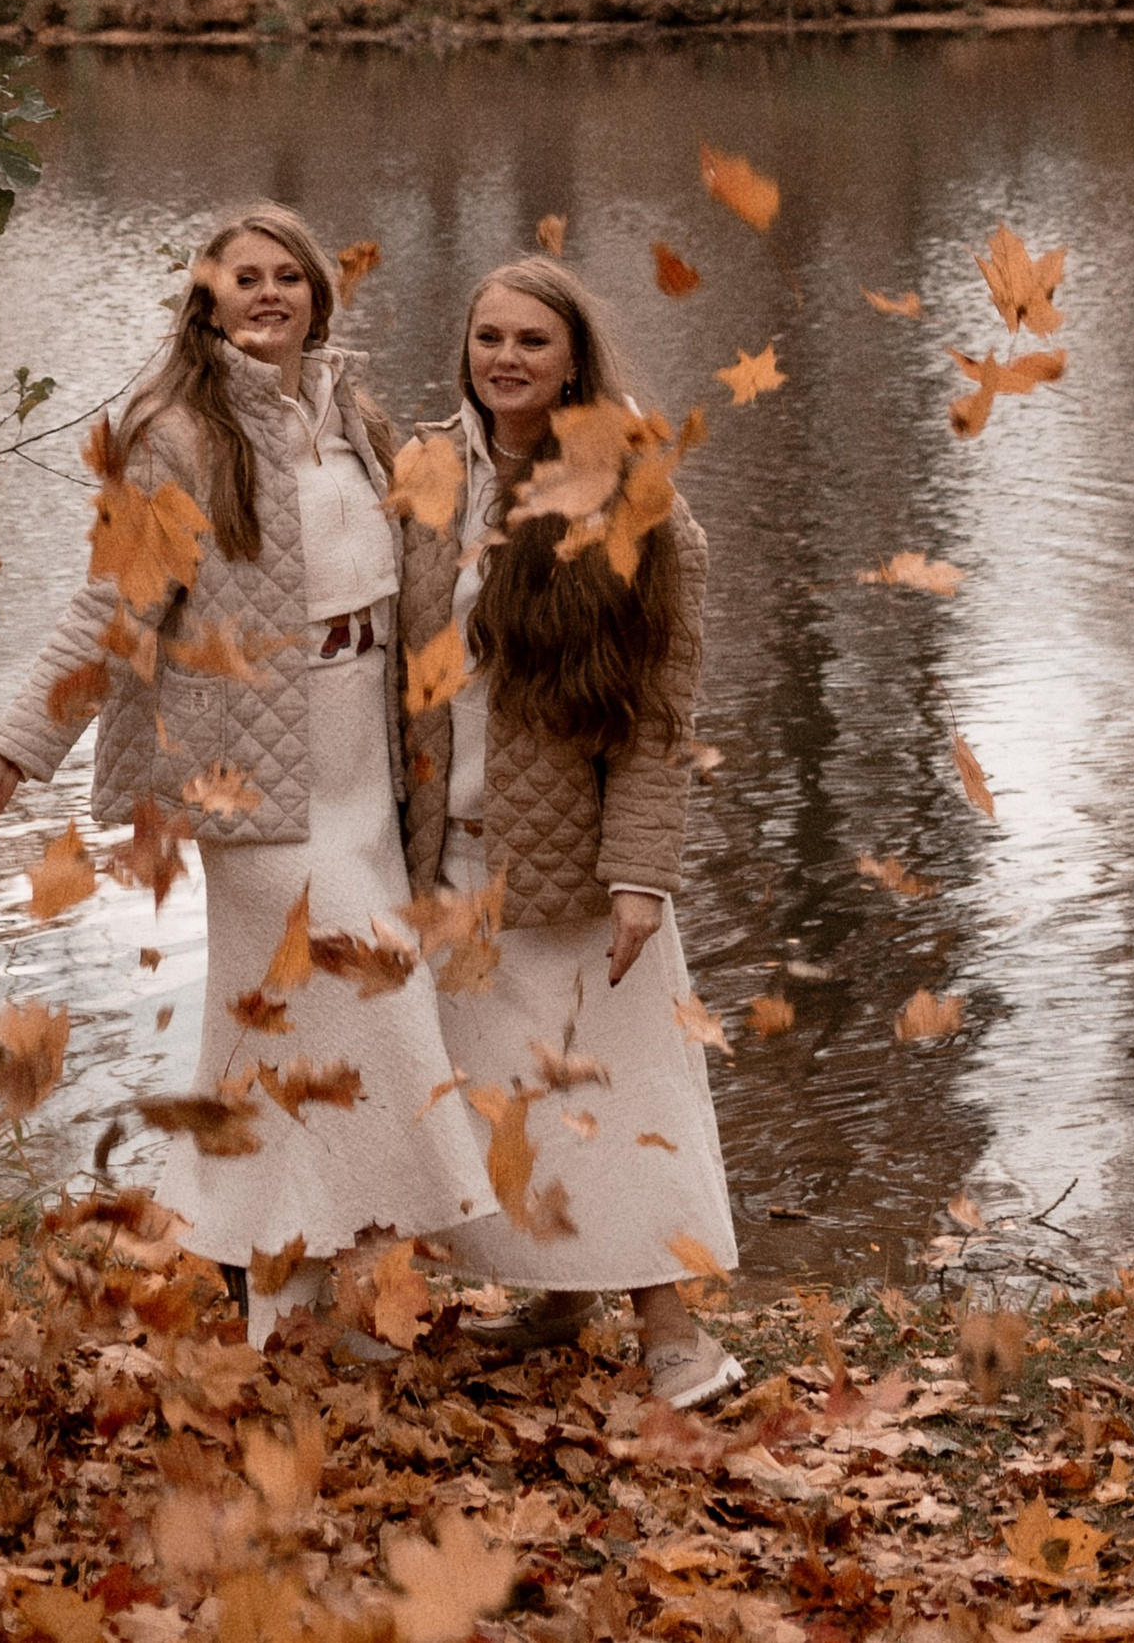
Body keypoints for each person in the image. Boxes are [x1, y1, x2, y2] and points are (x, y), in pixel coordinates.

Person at [0, 204, 493, 1342]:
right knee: (368, 1009)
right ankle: (282, 1282)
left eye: (288, 275)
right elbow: (110, 603)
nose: (268, 293)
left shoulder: (352, 413)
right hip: (250, 776)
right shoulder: (179, 433)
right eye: (243, 277)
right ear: (206, 298)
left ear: (316, 296)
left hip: (363, 757)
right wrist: (13, 753)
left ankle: (299, 1306)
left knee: (292, 1040)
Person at [397, 253, 742, 1411]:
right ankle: (555, 1299)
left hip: (583, 859)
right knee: (499, 1092)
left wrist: (642, 873)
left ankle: (674, 1332)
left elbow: (661, 714)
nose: (506, 359)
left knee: (623, 1094)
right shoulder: (426, 478)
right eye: (488, 337)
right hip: (447, 852)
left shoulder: (636, 498)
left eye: (531, 342)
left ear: (574, 359)